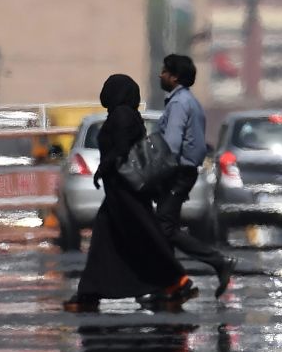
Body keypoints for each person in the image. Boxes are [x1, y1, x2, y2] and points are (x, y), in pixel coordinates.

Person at [65, 74, 196, 312]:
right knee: (106, 243)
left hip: (127, 192)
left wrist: (102, 169)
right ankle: (89, 293)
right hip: (119, 192)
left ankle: (176, 282)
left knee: (144, 235)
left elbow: (122, 149)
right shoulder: (125, 114)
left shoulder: (122, 115)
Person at [157, 54, 237, 298]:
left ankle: (218, 261)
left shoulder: (180, 103)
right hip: (182, 171)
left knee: (165, 227)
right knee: (163, 227)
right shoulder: (186, 101)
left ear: (175, 77)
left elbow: (171, 143)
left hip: (177, 171)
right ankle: (170, 283)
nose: (160, 75)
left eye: (165, 71)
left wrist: (158, 168)